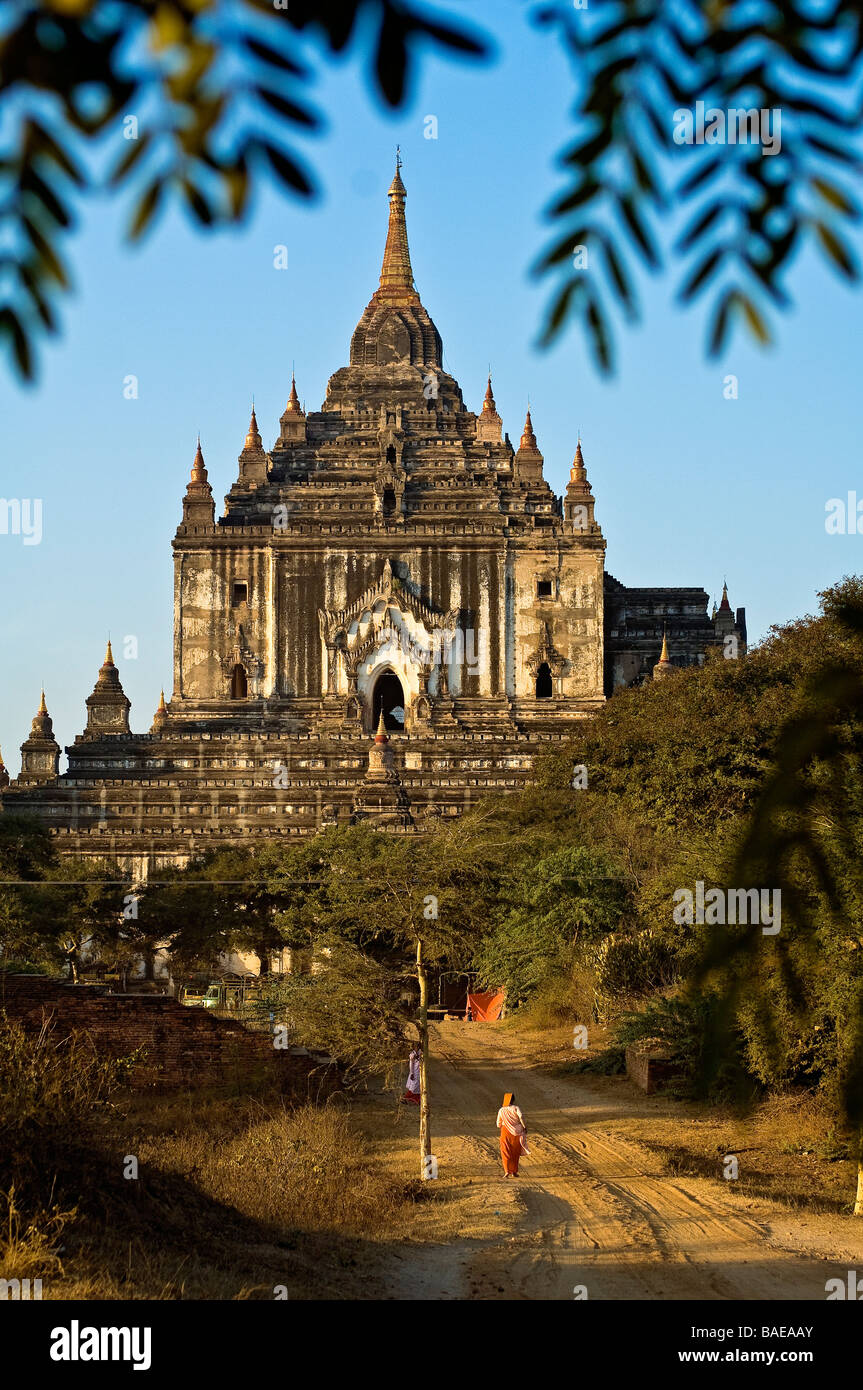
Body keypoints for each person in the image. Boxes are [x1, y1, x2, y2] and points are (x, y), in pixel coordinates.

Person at [496, 1091, 530, 1177]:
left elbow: (498, 1124)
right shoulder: (516, 1108)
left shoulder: (501, 1110)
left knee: (506, 1152)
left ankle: (507, 1171)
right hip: (517, 1133)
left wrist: (505, 1124)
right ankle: (514, 1172)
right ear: (513, 1100)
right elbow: (521, 1117)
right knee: (515, 1152)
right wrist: (524, 1127)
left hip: (505, 1132)